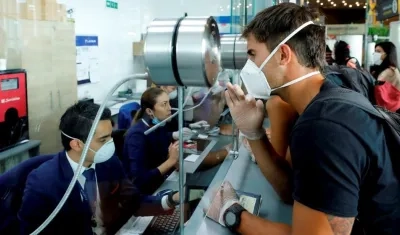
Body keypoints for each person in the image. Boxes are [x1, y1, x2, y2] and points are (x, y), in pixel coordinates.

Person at [207, 3, 400, 235]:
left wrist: (234, 215)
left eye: (253, 55)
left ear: (282, 54)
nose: (250, 67)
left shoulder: (322, 126)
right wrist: (253, 132)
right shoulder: (327, 100)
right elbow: (292, 189)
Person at [18, 102, 179, 235]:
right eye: (103, 140)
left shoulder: (109, 163)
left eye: (110, 135)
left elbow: (133, 201)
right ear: (77, 144)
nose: (111, 143)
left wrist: (172, 199)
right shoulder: (43, 183)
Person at [123, 87, 192, 194]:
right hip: (146, 194)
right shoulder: (137, 137)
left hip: (162, 181)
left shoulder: (159, 125)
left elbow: (161, 145)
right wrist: (171, 161)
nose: (170, 108)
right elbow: (139, 181)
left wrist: (173, 158)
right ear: (150, 111)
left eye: (169, 103)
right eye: (164, 104)